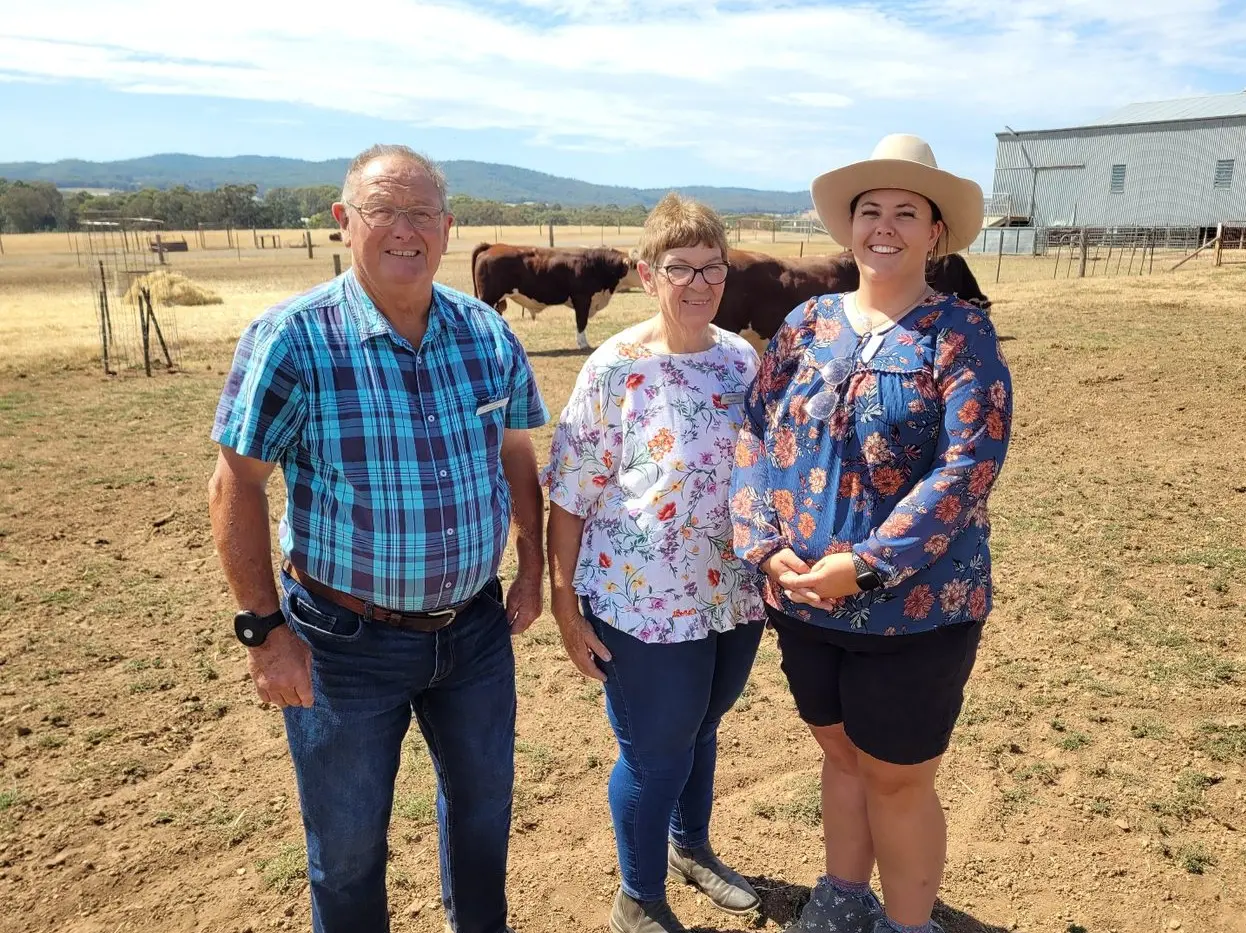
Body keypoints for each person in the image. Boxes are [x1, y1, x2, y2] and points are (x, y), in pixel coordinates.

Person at [208, 144, 549, 933]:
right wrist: (265, 632)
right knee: (349, 845)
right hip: (342, 640)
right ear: (344, 222)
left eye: (422, 212)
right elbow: (236, 484)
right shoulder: (293, 339)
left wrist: (531, 571)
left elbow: (516, 453)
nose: (405, 229)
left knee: (483, 816)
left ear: (448, 226)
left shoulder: (482, 334)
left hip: (474, 631)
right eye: (384, 210)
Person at [730, 134, 1013, 933]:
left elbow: (968, 467)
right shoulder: (806, 323)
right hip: (804, 603)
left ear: (935, 233)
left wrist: (869, 564)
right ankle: (844, 898)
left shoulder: (959, 333)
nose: (883, 227)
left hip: (913, 609)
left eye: (905, 213)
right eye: (869, 211)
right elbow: (756, 432)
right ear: (848, 228)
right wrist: (763, 541)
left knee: (898, 777)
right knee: (842, 755)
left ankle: (909, 923)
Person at [542, 193, 766, 933]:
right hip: (643, 601)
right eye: (681, 268)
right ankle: (637, 895)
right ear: (647, 273)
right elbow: (571, 497)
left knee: (703, 724)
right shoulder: (616, 369)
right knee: (656, 748)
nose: (699, 283)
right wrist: (566, 604)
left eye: (713, 267)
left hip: (730, 592)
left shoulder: (741, 360)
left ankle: (691, 846)